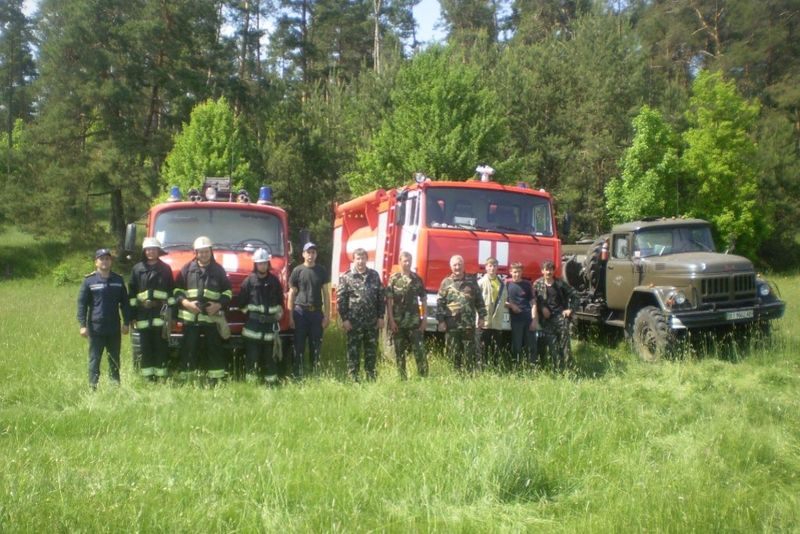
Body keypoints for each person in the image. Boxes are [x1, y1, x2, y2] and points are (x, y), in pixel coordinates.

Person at [174, 236, 232, 384]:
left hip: (211, 319)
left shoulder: (218, 270)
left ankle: (216, 379)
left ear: (211, 252)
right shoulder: (186, 269)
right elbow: (176, 291)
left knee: (214, 349)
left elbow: (227, 292)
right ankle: (187, 380)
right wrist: (186, 303)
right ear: (196, 253)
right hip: (190, 319)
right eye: (201, 252)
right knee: (188, 349)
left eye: (206, 252)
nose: (204, 255)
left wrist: (218, 305)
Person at [77, 248, 132, 390]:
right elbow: (82, 304)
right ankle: (93, 387)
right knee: (95, 359)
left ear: (111, 262)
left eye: (107, 259)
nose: (105, 261)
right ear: (96, 262)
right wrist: (82, 325)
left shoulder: (118, 280)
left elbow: (125, 304)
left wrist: (126, 323)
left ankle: (115, 387)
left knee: (114, 359)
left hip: (114, 327)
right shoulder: (89, 281)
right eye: (101, 259)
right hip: (96, 328)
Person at [128, 237, 174, 382]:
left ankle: (161, 375)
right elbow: (132, 295)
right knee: (144, 346)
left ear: (158, 251)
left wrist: (172, 315)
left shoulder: (165, 269)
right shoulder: (137, 269)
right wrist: (132, 315)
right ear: (144, 251)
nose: (150, 252)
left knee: (160, 346)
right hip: (142, 315)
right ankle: (147, 376)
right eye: (148, 249)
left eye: (153, 249)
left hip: (160, 314)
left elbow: (171, 293)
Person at [337, 248, 385, 381]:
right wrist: (345, 319)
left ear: (366, 259)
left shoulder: (374, 275)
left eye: (363, 258)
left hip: (371, 321)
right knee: (353, 351)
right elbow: (341, 300)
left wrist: (381, 317)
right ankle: (353, 378)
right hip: (354, 322)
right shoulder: (346, 277)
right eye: (358, 258)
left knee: (371, 351)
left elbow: (381, 297)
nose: (360, 261)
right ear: (354, 260)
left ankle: (371, 376)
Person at [237, 248, 284, 385]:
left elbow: (280, 301)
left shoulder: (274, 281)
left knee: (270, 358)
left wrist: (278, 313)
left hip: (270, 327)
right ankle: (251, 385)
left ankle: (271, 383)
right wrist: (252, 315)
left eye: (264, 263)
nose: (262, 266)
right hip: (253, 328)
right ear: (255, 264)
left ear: (268, 264)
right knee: (252, 357)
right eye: (259, 263)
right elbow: (241, 303)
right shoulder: (249, 281)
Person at [287, 242, 331, 378]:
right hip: (300, 313)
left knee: (315, 345)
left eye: (313, 252)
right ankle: (297, 374)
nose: (311, 255)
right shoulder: (297, 271)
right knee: (298, 345)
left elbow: (326, 294)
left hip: (316, 314)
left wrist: (327, 316)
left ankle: (315, 373)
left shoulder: (321, 271)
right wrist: (290, 316)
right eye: (308, 252)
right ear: (303, 254)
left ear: (316, 254)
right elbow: (291, 294)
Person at [436, 254, 486, 372]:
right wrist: (441, 321)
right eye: (454, 265)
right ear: (451, 267)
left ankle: (468, 375)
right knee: (453, 351)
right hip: (451, 324)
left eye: (459, 264)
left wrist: (482, 317)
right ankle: (454, 375)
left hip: (468, 323)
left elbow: (479, 300)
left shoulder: (472, 282)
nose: (457, 267)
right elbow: (440, 303)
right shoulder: (446, 282)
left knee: (469, 351)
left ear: (463, 266)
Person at [385, 251, 428, 379]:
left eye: (409, 261)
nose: (407, 263)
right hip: (398, 322)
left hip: (414, 322)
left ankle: (423, 376)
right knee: (399, 352)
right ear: (400, 262)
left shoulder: (417, 279)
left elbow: (424, 299)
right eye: (405, 261)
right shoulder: (394, 279)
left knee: (419, 350)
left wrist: (424, 318)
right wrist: (391, 321)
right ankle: (402, 378)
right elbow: (388, 301)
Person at [533, 260, 579, 371]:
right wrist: (542, 308)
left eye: (550, 270)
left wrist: (570, 309)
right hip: (547, 321)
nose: (548, 272)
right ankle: (558, 370)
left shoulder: (560, 283)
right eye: (546, 270)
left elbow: (575, 296)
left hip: (560, 319)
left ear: (553, 271)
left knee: (565, 347)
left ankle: (570, 371)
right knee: (553, 347)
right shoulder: (537, 284)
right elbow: (533, 300)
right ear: (542, 271)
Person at [505, 262, 538, 369]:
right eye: (514, 272)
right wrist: (512, 306)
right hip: (515, 320)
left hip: (528, 319)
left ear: (522, 272)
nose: (517, 274)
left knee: (531, 345)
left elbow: (533, 303)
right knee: (517, 346)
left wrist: (534, 320)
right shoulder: (506, 283)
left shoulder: (527, 284)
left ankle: (532, 367)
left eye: (519, 272)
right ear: (510, 272)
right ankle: (516, 367)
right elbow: (501, 301)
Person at [477, 257, 506, 369]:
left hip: (497, 323)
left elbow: (504, 300)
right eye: (490, 266)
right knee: (481, 349)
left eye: (494, 266)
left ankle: (494, 369)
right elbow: (476, 301)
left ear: (497, 267)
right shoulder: (480, 283)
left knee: (495, 348)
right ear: (486, 267)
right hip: (484, 322)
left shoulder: (502, 284)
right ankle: (480, 371)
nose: (492, 268)